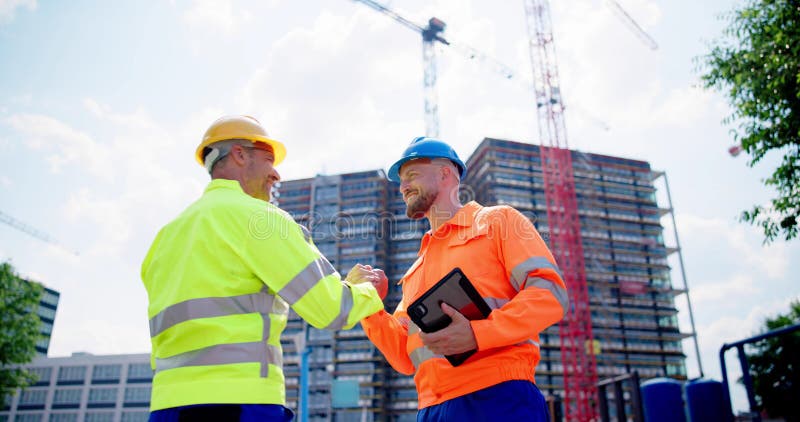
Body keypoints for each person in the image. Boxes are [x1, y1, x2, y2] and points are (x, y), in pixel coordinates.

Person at [141, 115, 388, 421]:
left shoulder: (165, 237)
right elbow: (332, 308)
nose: (276, 174)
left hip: (166, 405)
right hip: (240, 403)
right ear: (240, 154)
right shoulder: (261, 220)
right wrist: (365, 289)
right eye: (269, 159)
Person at [360, 137, 569, 421]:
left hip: (497, 396)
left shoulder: (499, 222)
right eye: (400, 181)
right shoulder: (417, 268)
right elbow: (405, 358)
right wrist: (369, 305)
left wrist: (477, 334)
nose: (403, 186)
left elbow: (549, 294)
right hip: (431, 407)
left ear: (445, 173)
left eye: (411, 175)